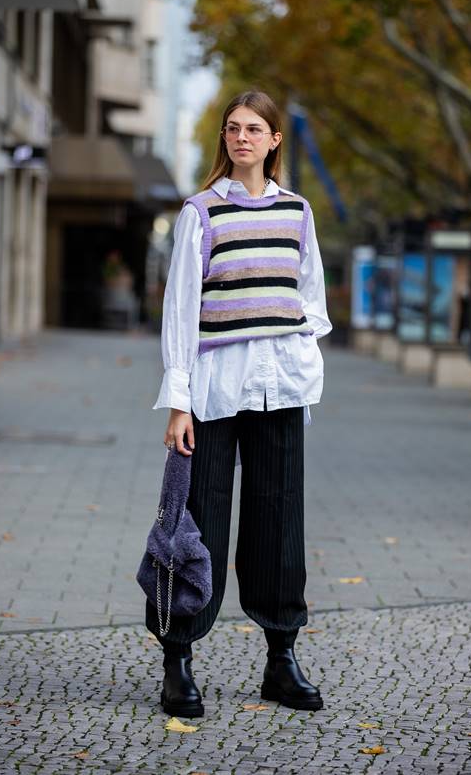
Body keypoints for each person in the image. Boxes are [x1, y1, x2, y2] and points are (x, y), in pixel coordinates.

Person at [148, 89, 332, 718]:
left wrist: (302, 348)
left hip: (281, 388)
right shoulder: (201, 213)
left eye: (255, 129)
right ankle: (178, 661)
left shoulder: (298, 211)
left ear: (275, 140)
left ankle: (281, 660)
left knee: (280, 521)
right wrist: (179, 403)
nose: (242, 138)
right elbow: (180, 312)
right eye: (233, 128)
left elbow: (312, 297)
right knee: (200, 519)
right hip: (214, 392)